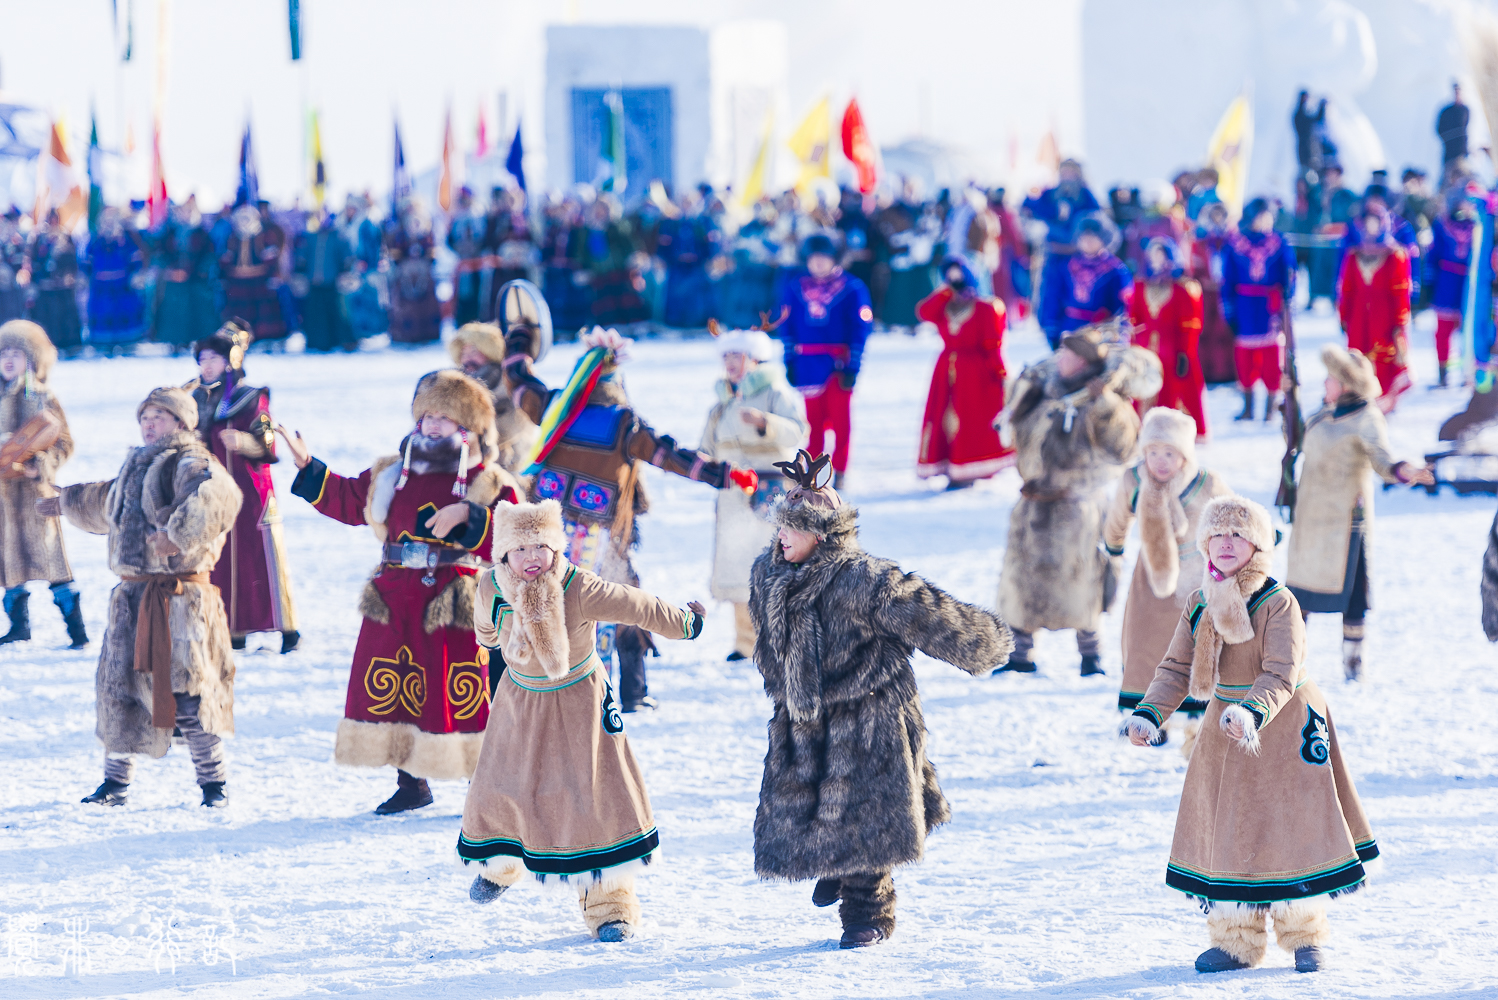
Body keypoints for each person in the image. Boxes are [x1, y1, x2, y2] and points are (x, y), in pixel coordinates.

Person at [748, 450, 1013, 948]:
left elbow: (926, 612)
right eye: (779, 526)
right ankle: (840, 861)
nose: (781, 536)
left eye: (793, 528)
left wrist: (981, 643)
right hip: (804, 720)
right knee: (810, 816)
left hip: (870, 718)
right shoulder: (769, 575)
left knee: (870, 818)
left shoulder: (863, 580)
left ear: (823, 534)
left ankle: (868, 912)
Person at [1125, 495, 1379, 974]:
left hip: (1282, 723)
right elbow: (1177, 667)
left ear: (1257, 545)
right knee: (1229, 826)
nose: (1225, 544)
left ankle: (1305, 935)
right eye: (1216, 535)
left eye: (1237, 536)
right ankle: (1235, 941)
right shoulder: (1200, 602)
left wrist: (1251, 712)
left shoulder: (1278, 602)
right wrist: (1149, 713)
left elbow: (1282, 672)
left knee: (1292, 827)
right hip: (1226, 725)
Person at [458, 499, 707, 942]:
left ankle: (610, 905)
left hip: (578, 703)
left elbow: (638, 606)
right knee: (499, 785)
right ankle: (502, 860)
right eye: (520, 549)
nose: (532, 557)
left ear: (557, 548)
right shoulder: (490, 587)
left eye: (541, 546)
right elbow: (486, 633)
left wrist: (686, 623)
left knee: (592, 797)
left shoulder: (578, 586)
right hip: (521, 699)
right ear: (503, 554)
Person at [281, 370, 520, 812]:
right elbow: (351, 501)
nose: (431, 423)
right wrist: (307, 467)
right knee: (403, 686)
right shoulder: (393, 472)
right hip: (395, 594)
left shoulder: (487, 480)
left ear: (467, 424)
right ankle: (412, 783)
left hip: (456, 597)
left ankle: (483, 784)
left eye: (443, 416)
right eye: (425, 414)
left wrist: (469, 519)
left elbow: (516, 538)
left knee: (458, 688)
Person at [504, 325, 754, 711]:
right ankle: (622, 692)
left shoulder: (554, 405)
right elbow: (670, 455)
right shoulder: (625, 425)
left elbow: (519, 381)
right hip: (600, 534)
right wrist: (723, 475)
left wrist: (519, 336)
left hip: (545, 532)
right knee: (612, 603)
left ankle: (537, 687)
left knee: (542, 602)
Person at [48, 387, 243, 808]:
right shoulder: (137, 464)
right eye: (145, 416)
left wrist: (177, 537)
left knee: (188, 693)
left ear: (182, 423)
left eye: (159, 415)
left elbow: (220, 498)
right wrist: (64, 501)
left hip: (179, 601)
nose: (149, 423)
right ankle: (114, 784)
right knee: (120, 690)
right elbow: (106, 502)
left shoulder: (190, 461)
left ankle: (214, 784)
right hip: (132, 600)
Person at [995, 323, 1162, 675]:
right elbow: (1012, 433)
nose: (1062, 357)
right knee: (1021, 581)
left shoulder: (1104, 401)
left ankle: (1091, 656)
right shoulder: (1043, 392)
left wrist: (1104, 405)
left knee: (1082, 581)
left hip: (1077, 508)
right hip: (1033, 505)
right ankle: (1020, 654)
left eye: (1071, 354)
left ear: (1085, 363)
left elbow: (1122, 449)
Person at [1286, 346, 1433, 680]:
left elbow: (1382, 459)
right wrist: (1289, 398)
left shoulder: (1367, 418)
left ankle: (1353, 663)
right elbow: (1297, 439)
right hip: (1310, 519)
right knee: (1298, 596)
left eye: (1330, 378)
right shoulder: (1324, 413)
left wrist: (1402, 470)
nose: (1324, 383)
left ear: (1345, 383)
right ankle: (1289, 664)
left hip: (1344, 522)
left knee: (1351, 595)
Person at [1103, 408, 1230, 743]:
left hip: (1197, 579)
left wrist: (1253, 541)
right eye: (1153, 452)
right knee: (1144, 643)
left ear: (1184, 455)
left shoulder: (1206, 483)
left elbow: (1232, 515)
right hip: (1151, 581)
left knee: (1195, 645)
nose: (1159, 461)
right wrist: (1113, 550)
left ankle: (1196, 721)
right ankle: (1149, 718)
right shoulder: (1134, 480)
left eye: (1169, 453)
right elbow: (1117, 520)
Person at [186, 323, 299, 654]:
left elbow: (268, 443)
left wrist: (246, 442)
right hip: (211, 490)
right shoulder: (192, 399)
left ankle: (286, 626)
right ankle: (233, 628)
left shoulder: (251, 397)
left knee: (261, 555)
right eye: (202, 359)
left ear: (229, 361)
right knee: (221, 559)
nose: (207, 365)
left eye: (214, 358)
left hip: (251, 490)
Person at [698, 327, 807, 662]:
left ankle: (778, 640)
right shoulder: (721, 404)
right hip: (732, 493)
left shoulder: (777, 392)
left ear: (755, 358)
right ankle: (745, 643)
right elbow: (706, 447)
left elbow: (799, 430)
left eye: (736, 355)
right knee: (737, 566)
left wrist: (764, 422)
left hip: (771, 487)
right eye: (726, 356)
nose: (730, 363)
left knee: (772, 562)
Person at [0, 320, 88, 648]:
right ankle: (18, 626)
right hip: (2, 497)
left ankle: (77, 630)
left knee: (53, 560)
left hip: (36, 497)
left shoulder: (42, 397)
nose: (8, 360)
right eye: (3, 353)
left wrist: (41, 465)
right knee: (8, 563)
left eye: (17, 353)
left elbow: (64, 442)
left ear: (33, 359)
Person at [775, 233, 873, 489]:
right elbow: (786, 325)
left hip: (838, 364)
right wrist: (789, 360)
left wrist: (854, 364)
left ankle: (840, 469)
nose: (818, 264)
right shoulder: (795, 288)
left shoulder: (852, 288)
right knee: (813, 423)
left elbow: (860, 328)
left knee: (841, 421)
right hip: (807, 364)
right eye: (813, 259)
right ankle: (813, 469)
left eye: (824, 258)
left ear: (835, 259)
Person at [914, 256, 1013, 486]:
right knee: (944, 418)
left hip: (975, 372)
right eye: (949, 274)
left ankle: (970, 466)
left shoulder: (987, 307)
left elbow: (993, 345)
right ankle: (949, 464)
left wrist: (999, 374)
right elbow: (924, 312)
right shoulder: (946, 305)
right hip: (945, 370)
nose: (954, 278)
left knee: (971, 418)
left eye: (958, 273)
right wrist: (946, 292)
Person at [1221, 198, 1296, 422]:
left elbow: (1289, 275)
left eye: (1269, 216)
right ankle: (1247, 406)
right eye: (1261, 215)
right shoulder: (1234, 243)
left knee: (1272, 357)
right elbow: (1227, 279)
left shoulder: (1280, 242)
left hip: (1270, 306)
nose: (1265, 220)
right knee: (1245, 357)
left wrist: (1286, 303)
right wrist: (1229, 310)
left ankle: (1270, 406)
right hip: (1244, 306)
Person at [1129, 238, 1208, 439]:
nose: (1157, 260)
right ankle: (1144, 430)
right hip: (1146, 349)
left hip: (1173, 350)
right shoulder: (1140, 285)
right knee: (1145, 390)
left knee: (1174, 389)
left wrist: (1185, 352)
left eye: (1161, 255)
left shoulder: (1183, 287)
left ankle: (1174, 433)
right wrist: (1133, 347)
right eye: (1153, 255)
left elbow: (1191, 324)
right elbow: (1134, 320)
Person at [1338, 207, 1413, 413]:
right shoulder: (1354, 254)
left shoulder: (1395, 254)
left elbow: (1401, 291)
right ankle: (1361, 399)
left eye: (1375, 222)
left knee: (1383, 360)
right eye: (1367, 222)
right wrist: (1344, 316)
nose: (1371, 227)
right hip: (1358, 318)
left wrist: (1399, 322)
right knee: (1358, 358)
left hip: (1385, 317)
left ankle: (1384, 402)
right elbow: (1347, 288)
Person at [1024, 158, 1102, 349]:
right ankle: (1051, 332)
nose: (1067, 178)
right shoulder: (1051, 194)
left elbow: (1096, 220)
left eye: (1071, 173)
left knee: (1075, 297)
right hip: (1054, 255)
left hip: (1078, 256)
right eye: (1064, 173)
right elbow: (1031, 207)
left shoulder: (1085, 196)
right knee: (1050, 296)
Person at [447, 320, 539, 474]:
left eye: (474, 352)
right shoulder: (455, 384)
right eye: (464, 352)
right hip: (462, 464)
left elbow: (512, 426)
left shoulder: (510, 382)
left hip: (506, 466)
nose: (467, 358)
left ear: (490, 351)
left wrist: (462, 438)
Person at [152, 200, 220, 352]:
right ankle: (174, 342)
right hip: (174, 281)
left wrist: (195, 273)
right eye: (182, 211)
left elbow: (209, 255)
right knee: (174, 313)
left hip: (196, 281)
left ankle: (199, 341)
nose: (185, 215)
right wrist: (169, 270)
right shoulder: (169, 232)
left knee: (198, 311)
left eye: (188, 211)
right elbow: (160, 253)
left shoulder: (201, 233)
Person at [1424, 192, 1475, 387]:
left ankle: (1469, 373)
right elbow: (1433, 255)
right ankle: (1443, 373)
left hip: (1470, 284)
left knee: (1469, 331)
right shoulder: (1442, 224)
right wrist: (1429, 284)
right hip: (1446, 282)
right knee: (1443, 332)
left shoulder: (1480, 225)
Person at [83, 208, 148, 351]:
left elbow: (136, 259)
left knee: (124, 313)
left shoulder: (126, 240)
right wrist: (84, 278)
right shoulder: (95, 241)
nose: (108, 224)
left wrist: (136, 276)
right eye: (105, 221)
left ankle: (127, 343)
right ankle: (103, 345)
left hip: (123, 287)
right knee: (103, 314)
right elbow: (86, 264)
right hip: (101, 288)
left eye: (111, 221)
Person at [221, 203, 286, 343]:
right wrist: (224, 274)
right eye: (241, 219)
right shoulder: (233, 238)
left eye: (247, 219)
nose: (244, 222)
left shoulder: (263, 236)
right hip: (238, 282)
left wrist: (274, 275)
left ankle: (263, 339)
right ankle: (239, 337)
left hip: (258, 281)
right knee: (240, 314)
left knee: (262, 312)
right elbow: (227, 259)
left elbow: (271, 259)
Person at [1058, 216, 1132, 337]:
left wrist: (1118, 331)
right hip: (1070, 328)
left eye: (1092, 238)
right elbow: (1055, 297)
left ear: (1104, 240)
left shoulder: (1115, 269)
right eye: (1083, 238)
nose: (1087, 242)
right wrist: (1052, 327)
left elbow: (1123, 305)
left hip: (1102, 329)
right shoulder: (1068, 266)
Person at [290, 213, 354, 352]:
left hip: (331, 283)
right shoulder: (310, 238)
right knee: (315, 315)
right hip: (314, 283)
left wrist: (345, 272)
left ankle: (338, 341)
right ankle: (316, 342)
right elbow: (302, 257)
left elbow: (346, 258)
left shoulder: (338, 238)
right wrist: (300, 271)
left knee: (336, 313)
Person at [385, 200, 441, 344]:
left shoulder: (427, 232)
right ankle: (405, 334)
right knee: (404, 304)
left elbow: (432, 253)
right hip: (404, 273)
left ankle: (427, 333)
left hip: (423, 272)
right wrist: (403, 263)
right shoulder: (398, 233)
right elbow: (395, 253)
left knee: (426, 304)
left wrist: (424, 261)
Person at [26, 212, 83, 354]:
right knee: (47, 318)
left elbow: (73, 261)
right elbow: (32, 260)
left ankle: (68, 346)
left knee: (65, 316)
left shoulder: (65, 237)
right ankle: (47, 346)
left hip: (63, 286)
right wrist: (35, 280)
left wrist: (70, 276)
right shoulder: (39, 239)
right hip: (44, 286)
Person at [1437, 82, 1470, 167]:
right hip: (1449, 153)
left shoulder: (1465, 110)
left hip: (1462, 153)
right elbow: (1439, 130)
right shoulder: (1446, 111)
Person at [1293, 90, 1326, 172]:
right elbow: (1316, 119)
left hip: (1313, 148)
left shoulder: (1304, 115)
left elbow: (1318, 119)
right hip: (1305, 149)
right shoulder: (1299, 116)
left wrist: (1322, 107)